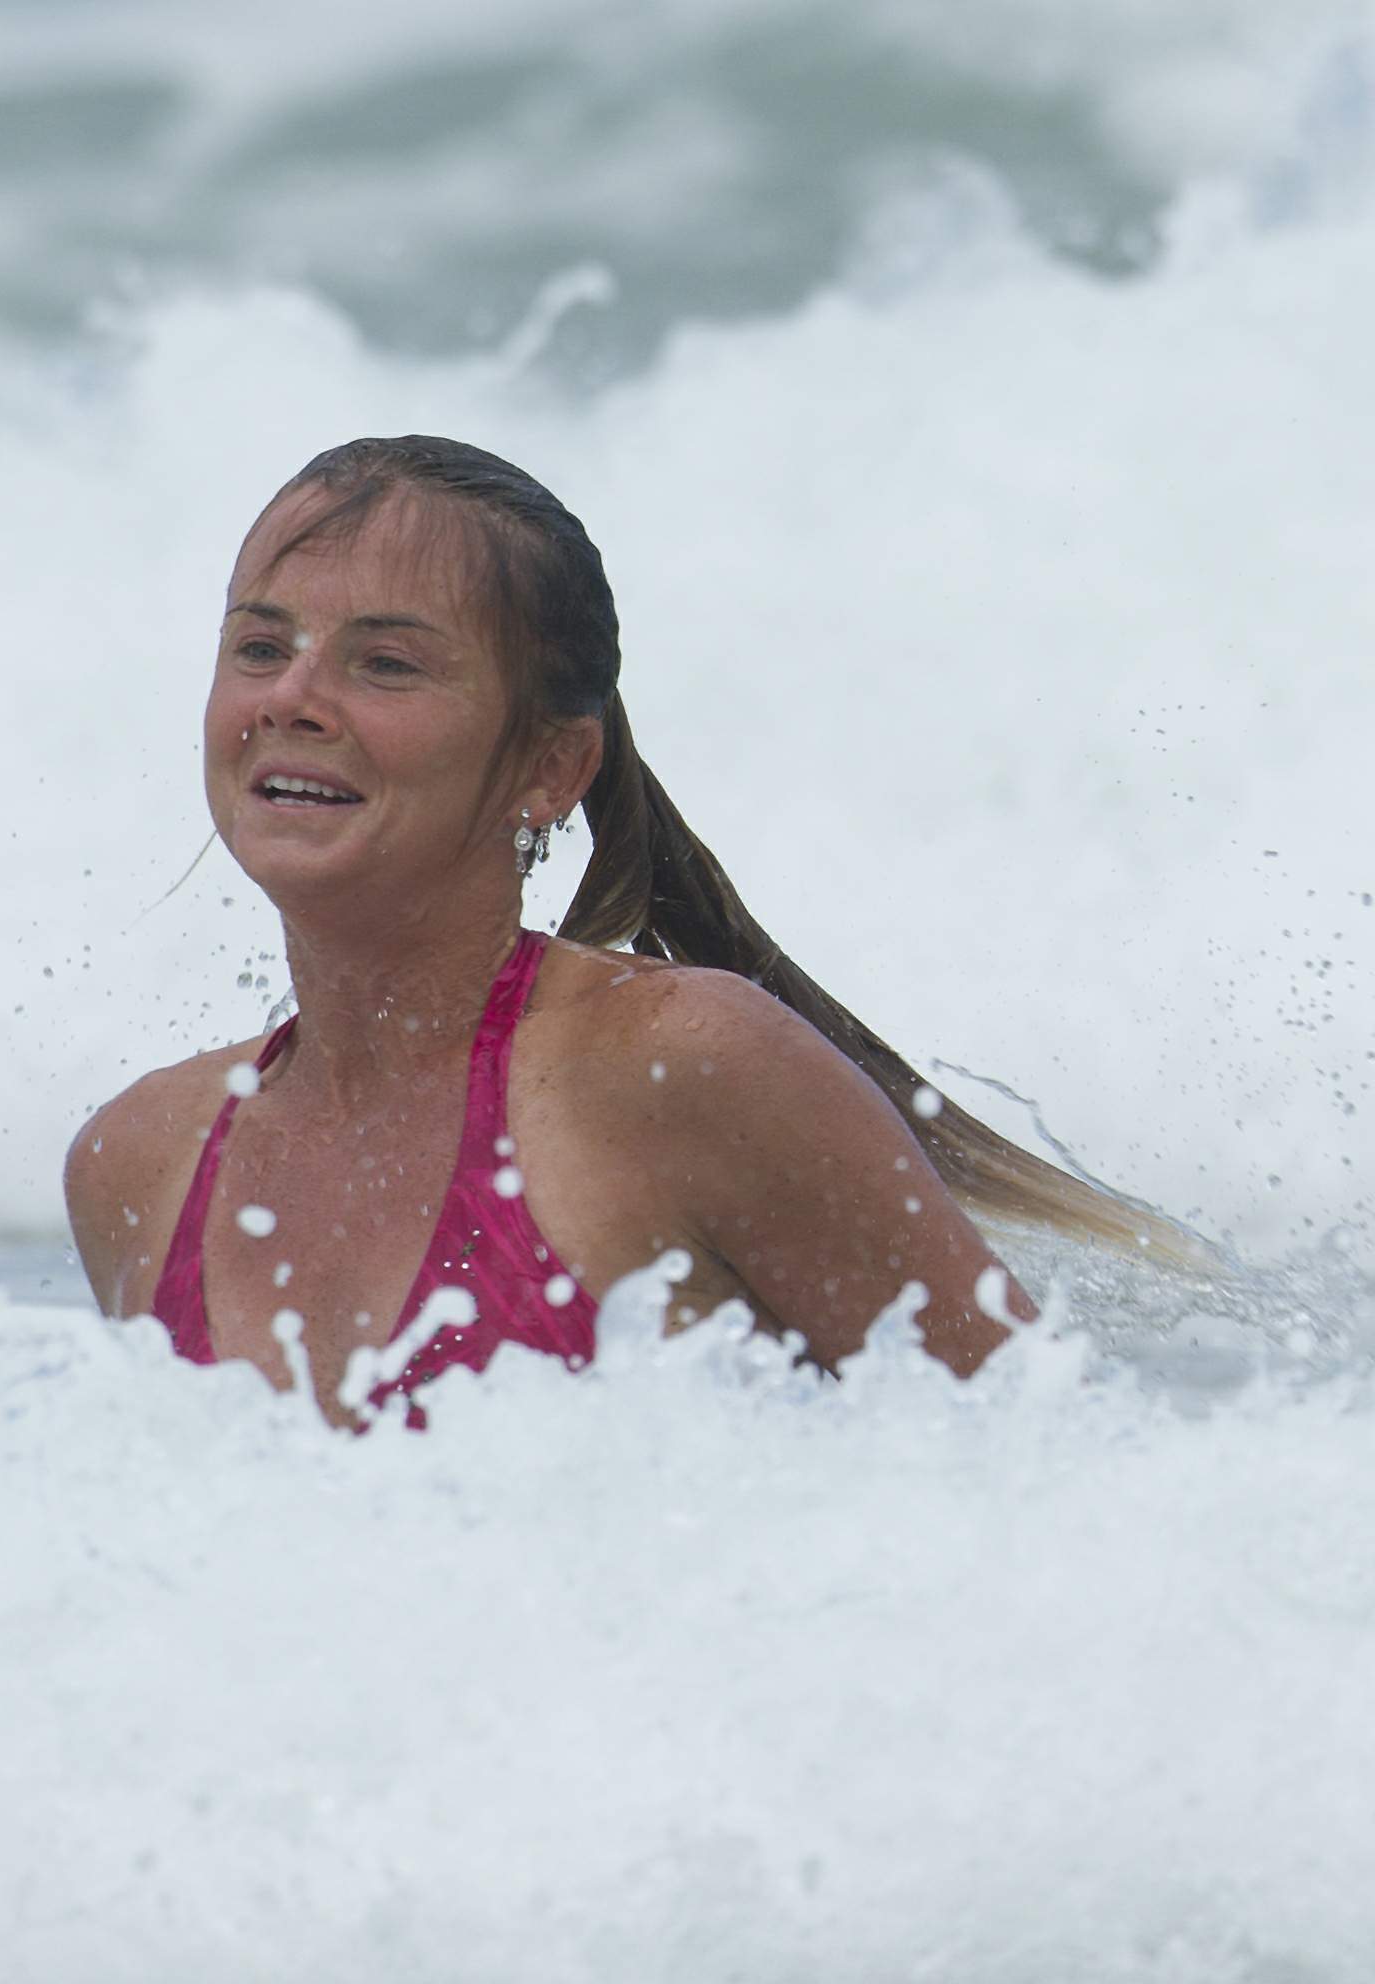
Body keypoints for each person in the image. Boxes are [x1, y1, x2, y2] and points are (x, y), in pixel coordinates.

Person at [64, 436, 1153, 1431]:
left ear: (549, 768)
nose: (290, 698)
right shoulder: (140, 1163)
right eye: (260, 646)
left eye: (384, 664)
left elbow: (1056, 1473)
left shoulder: (680, 1071)